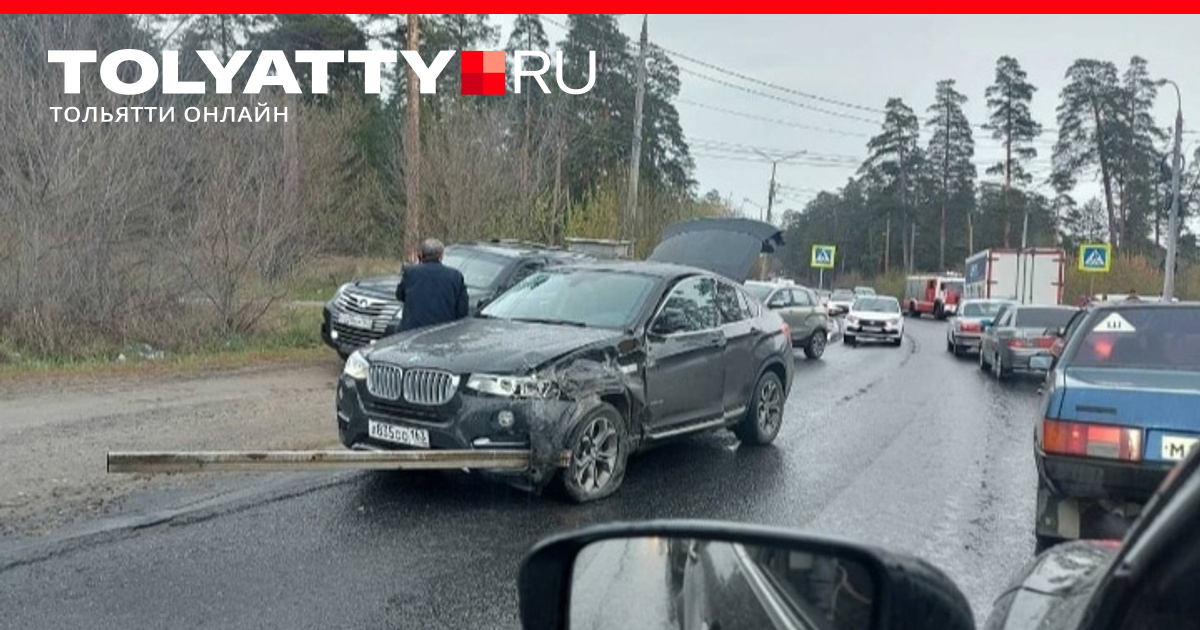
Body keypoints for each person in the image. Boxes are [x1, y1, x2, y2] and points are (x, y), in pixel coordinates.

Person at [394, 238, 469, 332]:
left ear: (420, 255)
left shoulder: (411, 273)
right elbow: (463, 311)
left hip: (412, 332)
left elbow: (399, 295)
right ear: (441, 255)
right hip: (443, 333)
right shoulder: (456, 276)